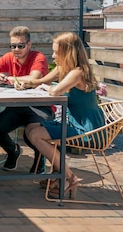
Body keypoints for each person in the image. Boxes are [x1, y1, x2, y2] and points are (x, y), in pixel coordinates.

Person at [19, 32, 105, 199]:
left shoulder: (77, 72)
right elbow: (42, 81)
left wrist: (46, 88)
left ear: (68, 53)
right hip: (73, 123)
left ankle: (69, 177)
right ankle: (61, 176)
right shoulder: (65, 69)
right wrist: (16, 80)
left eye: (56, 52)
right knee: (31, 128)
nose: (52, 56)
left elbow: (55, 90)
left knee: (36, 135)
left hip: (86, 129)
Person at [0, 26, 52, 173]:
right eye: (13, 46)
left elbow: (33, 79)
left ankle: (40, 157)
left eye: (20, 45)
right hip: (18, 106)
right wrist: (1, 80)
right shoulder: (9, 57)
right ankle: (13, 151)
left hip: (40, 107)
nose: (16, 49)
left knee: (30, 135)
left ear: (29, 45)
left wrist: (9, 79)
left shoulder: (38, 58)